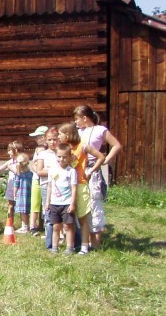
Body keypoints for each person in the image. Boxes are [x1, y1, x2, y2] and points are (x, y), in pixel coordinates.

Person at [74, 104, 122, 249]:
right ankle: (83, 239)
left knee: (94, 203)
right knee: (82, 202)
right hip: (79, 169)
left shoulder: (100, 130)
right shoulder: (78, 132)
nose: (75, 121)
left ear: (85, 118)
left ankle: (95, 242)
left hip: (93, 170)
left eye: (77, 119)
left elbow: (116, 145)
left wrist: (105, 160)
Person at [57, 121, 105, 255]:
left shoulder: (82, 146)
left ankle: (84, 247)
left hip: (80, 184)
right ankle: (71, 245)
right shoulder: (64, 149)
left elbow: (101, 157)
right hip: (67, 186)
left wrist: (90, 171)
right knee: (69, 218)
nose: (58, 137)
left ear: (68, 134)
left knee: (83, 217)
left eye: (60, 134)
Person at [45, 143, 78, 254]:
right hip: (54, 203)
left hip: (67, 203)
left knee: (68, 226)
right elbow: (49, 186)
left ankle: (70, 247)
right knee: (55, 226)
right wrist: (47, 201)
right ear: (56, 156)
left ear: (69, 157)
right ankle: (54, 247)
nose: (61, 159)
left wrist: (72, 203)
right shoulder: (52, 170)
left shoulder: (71, 171)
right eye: (59, 156)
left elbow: (74, 188)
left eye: (64, 157)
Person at [33, 127, 60, 250]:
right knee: (48, 213)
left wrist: (51, 171)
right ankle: (49, 243)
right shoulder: (43, 154)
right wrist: (55, 171)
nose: (52, 142)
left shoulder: (62, 152)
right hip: (46, 186)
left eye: (55, 139)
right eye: (50, 140)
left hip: (61, 186)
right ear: (45, 140)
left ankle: (63, 237)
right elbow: (39, 171)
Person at [28, 126, 48, 235]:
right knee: (35, 202)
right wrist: (38, 172)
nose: (36, 139)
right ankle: (32, 226)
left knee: (46, 203)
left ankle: (45, 225)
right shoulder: (38, 150)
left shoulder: (50, 150)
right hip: (36, 179)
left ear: (44, 137)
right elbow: (33, 164)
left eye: (38, 137)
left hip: (47, 180)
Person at [13, 153, 34, 233]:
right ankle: (27, 225)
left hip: (21, 195)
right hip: (29, 194)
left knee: (22, 211)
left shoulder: (18, 174)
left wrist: (14, 194)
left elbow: (16, 184)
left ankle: (24, 226)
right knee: (27, 211)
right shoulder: (31, 174)